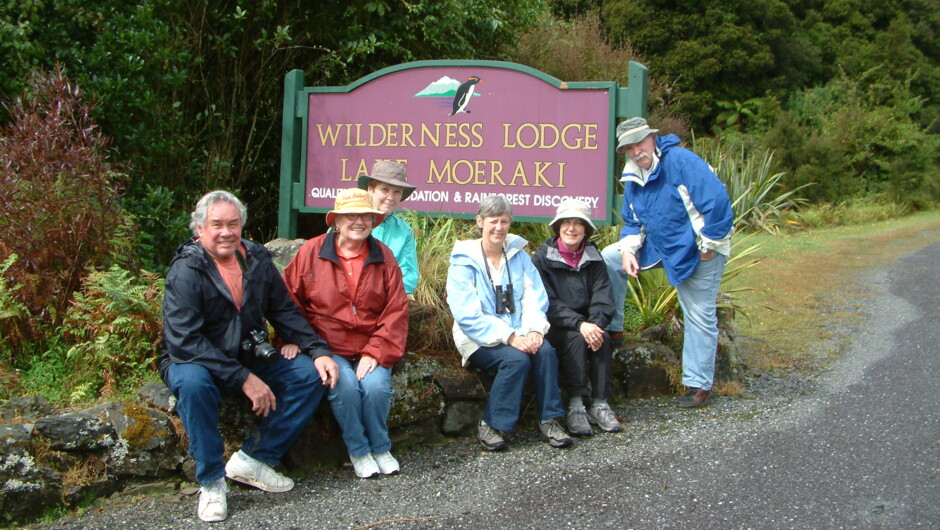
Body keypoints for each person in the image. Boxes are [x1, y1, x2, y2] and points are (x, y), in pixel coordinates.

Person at [160, 190, 339, 523]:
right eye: (217, 224)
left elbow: (284, 311)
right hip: (194, 361)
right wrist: (243, 378)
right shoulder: (187, 269)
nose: (226, 232)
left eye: (233, 223)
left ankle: (254, 459)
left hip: (245, 354)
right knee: (194, 385)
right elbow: (185, 341)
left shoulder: (256, 259)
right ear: (200, 228)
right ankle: (211, 482)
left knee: (307, 375)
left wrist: (318, 350)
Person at [601, 117, 734, 409]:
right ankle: (614, 328)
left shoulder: (682, 161)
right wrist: (628, 251)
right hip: (661, 246)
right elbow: (632, 221)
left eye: (639, 143)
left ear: (652, 137)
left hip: (698, 248)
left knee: (699, 313)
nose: (636, 152)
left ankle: (698, 384)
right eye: (629, 148)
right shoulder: (633, 176)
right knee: (609, 257)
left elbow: (718, 203)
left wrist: (708, 246)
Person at [283, 188, 409, 479]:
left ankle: (381, 447)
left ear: (373, 221)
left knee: (376, 389)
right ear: (337, 221)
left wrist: (376, 351)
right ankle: (359, 451)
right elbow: (289, 301)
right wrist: (294, 339)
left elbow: (396, 310)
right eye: (351, 215)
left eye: (366, 216)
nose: (359, 221)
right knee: (345, 386)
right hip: (327, 346)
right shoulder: (310, 252)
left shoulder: (384, 256)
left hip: (372, 344)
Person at [446, 195, 572, 451]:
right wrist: (511, 337)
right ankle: (491, 424)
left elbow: (534, 297)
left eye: (504, 221)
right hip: (477, 338)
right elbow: (467, 316)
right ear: (480, 221)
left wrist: (534, 330)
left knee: (545, 351)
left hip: (520, 331)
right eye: (493, 221)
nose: (499, 227)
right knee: (516, 360)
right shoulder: (463, 261)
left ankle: (550, 419)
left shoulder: (518, 255)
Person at [532, 199, 621, 435]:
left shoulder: (595, 258)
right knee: (576, 338)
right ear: (558, 227)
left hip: (587, 323)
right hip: (555, 325)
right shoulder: (541, 259)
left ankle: (600, 404)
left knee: (602, 337)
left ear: (586, 229)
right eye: (566, 223)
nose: (571, 228)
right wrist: (579, 324)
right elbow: (546, 301)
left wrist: (594, 324)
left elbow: (603, 297)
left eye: (578, 223)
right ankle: (576, 406)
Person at [357, 160, 420, 295]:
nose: (390, 197)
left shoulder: (404, 231)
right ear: (370, 190)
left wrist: (384, 296)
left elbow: (409, 276)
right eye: (384, 189)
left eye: (396, 192)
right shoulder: (350, 222)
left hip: (389, 299)